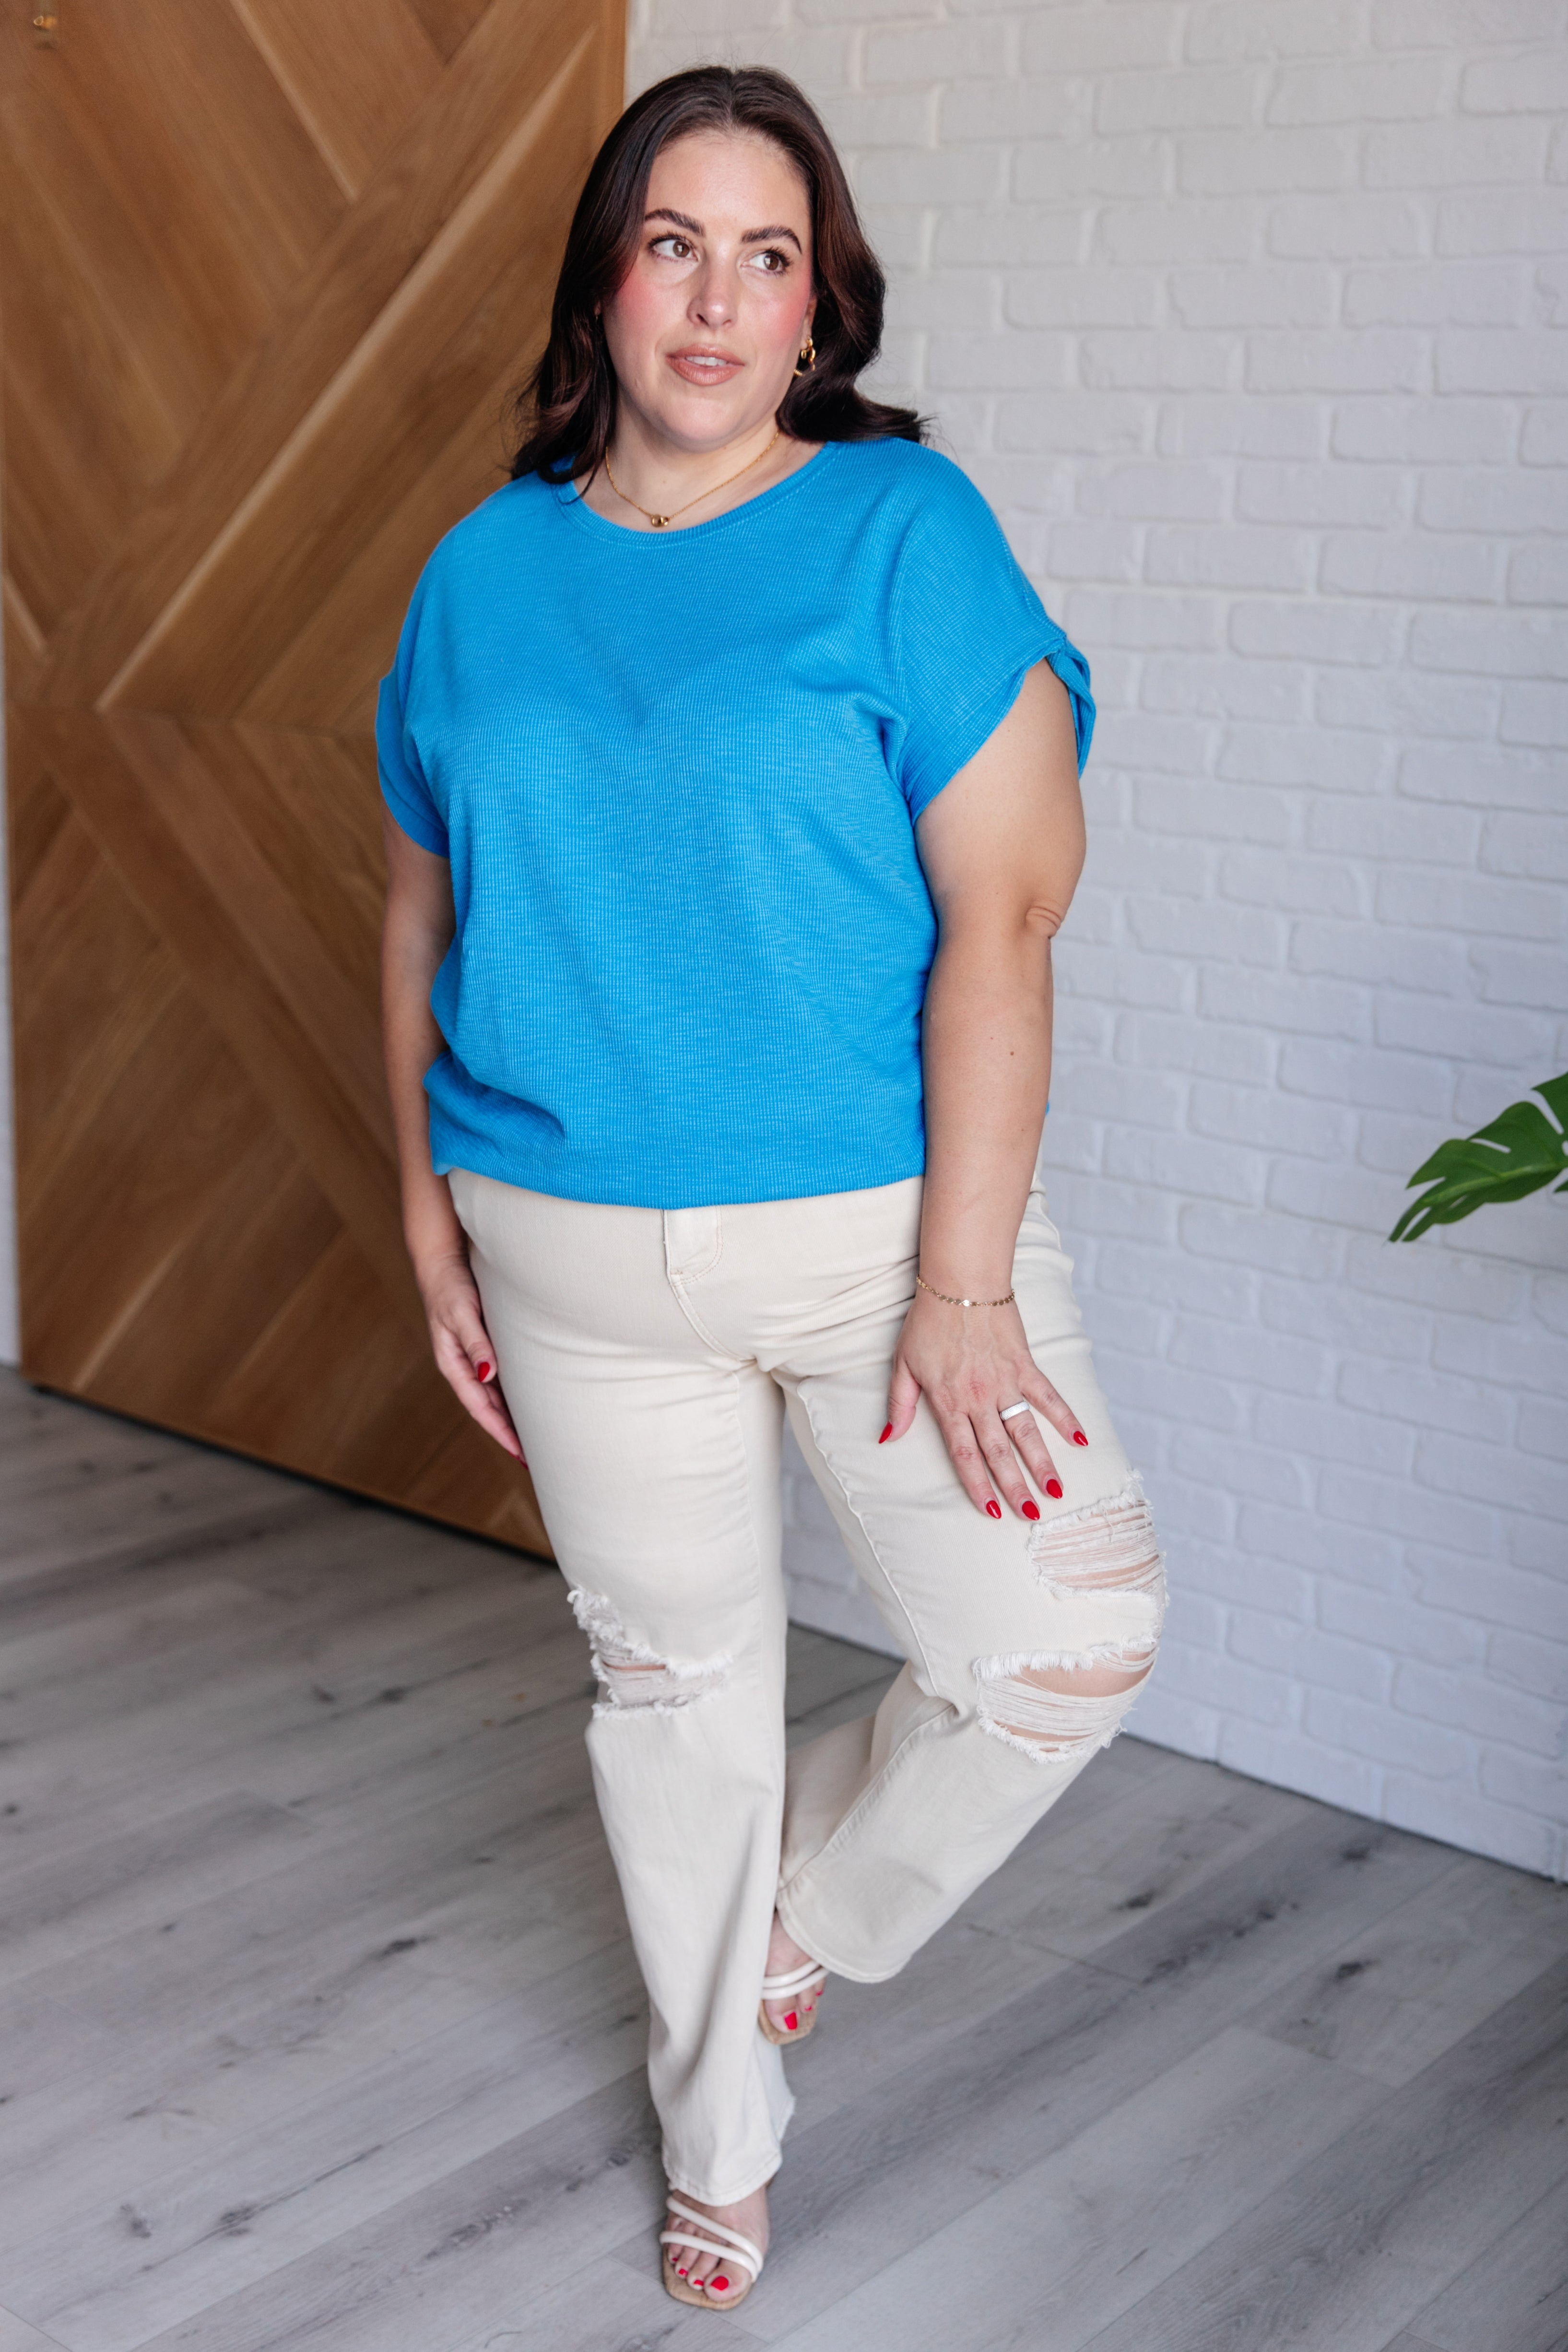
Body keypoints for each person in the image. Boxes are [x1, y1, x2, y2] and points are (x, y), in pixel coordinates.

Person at [378, 63, 1164, 2316]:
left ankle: (789, 1925)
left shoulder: (902, 534)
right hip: (558, 1244)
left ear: (818, 302)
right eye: (669, 242)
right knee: (671, 1686)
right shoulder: (480, 567)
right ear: (602, 282)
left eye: (766, 252)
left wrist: (966, 1285)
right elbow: (421, 907)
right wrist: (426, 1204)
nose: (715, 296)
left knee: (1058, 1642)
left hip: (881, 1245)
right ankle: (714, 2114)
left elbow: (1003, 921)